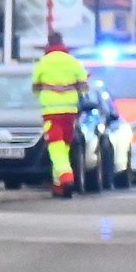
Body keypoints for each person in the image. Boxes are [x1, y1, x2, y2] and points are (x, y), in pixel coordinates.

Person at [31, 31, 90, 196]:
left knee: (56, 149)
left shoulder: (44, 62)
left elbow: (35, 86)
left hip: (51, 113)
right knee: (64, 148)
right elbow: (84, 86)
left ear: (48, 44)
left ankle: (66, 178)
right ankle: (58, 187)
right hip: (69, 113)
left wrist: (49, 88)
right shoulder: (72, 61)